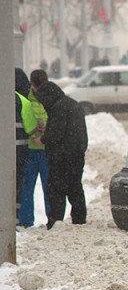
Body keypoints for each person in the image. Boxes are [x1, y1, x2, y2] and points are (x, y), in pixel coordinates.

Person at [34, 81, 88, 230]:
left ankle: (55, 221)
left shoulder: (58, 108)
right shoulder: (71, 104)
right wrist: (49, 128)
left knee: (56, 189)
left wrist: (42, 139)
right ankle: (79, 219)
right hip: (76, 154)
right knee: (74, 187)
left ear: (47, 97)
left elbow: (57, 133)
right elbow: (67, 128)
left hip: (61, 157)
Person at [18, 69, 51, 228]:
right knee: (46, 186)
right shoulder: (50, 100)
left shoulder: (27, 99)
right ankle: (51, 219)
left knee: (28, 187)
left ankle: (26, 220)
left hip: (34, 148)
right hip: (43, 150)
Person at [15, 69, 37, 224]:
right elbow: (31, 129)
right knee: (19, 184)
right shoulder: (23, 101)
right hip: (21, 149)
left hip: (5, 151)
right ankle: (16, 218)